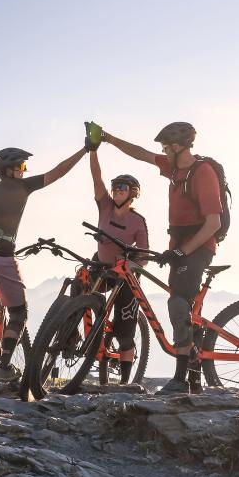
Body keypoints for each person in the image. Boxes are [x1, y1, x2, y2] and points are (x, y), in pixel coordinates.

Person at [88, 121, 223, 394]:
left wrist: (181, 252)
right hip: (179, 246)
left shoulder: (203, 172)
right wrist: (110, 139)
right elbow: (140, 153)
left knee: (176, 304)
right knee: (184, 307)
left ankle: (180, 378)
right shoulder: (173, 168)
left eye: (165, 147)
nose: (162, 152)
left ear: (176, 147)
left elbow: (214, 223)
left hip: (198, 246)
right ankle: (195, 369)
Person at [0, 143, 87, 382]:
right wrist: (84, 151)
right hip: (2, 256)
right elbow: (58, 172)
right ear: (10, 170)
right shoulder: (23, 187)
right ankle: (5, 367)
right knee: (19, 313)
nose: (24, 171)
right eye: (22, 166)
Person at [88, 145, 150, 385]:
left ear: (133, 193)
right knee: (77, 284)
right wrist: (92, 152)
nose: (115, 191)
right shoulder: (105, 207)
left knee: (125, 330)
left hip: (126, 275)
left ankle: (125, 382)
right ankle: (71, 333)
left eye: (122, 187)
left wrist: (131, 268)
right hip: (102, 267)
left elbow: (143, 255)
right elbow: (96, 179)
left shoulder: (137, 221)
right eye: (115, 187)